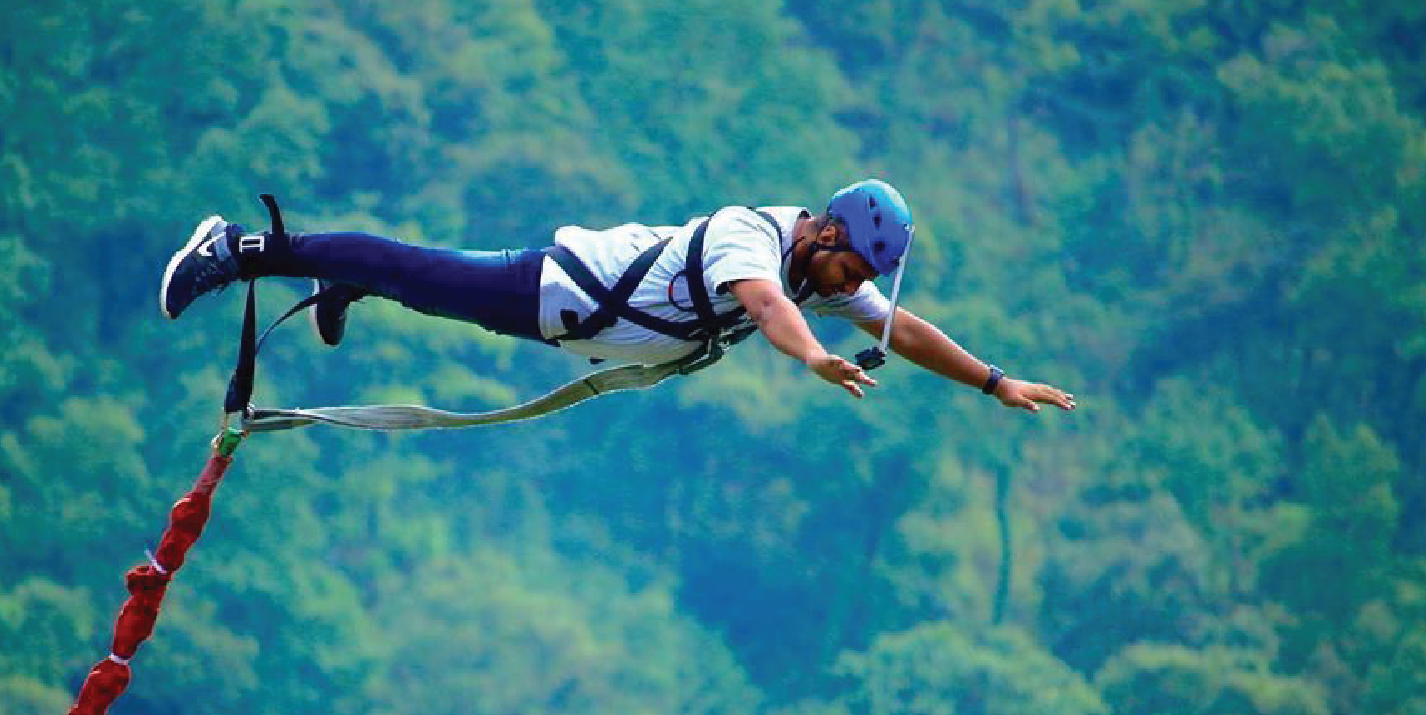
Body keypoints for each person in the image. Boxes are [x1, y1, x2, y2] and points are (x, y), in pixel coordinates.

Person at [159, 180, 1077, 413]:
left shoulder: (815, 274)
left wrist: (995, 382)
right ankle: (240, 248)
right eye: (852, 273)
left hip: (568, 321)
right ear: (827, 233)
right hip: (562, 285)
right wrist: (810, 358)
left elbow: (905, 330)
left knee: (427, 289)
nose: (856, 291)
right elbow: (764, 309)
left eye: (859, 284)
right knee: (416, 269)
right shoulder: (751, 240)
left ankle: (341, 277)